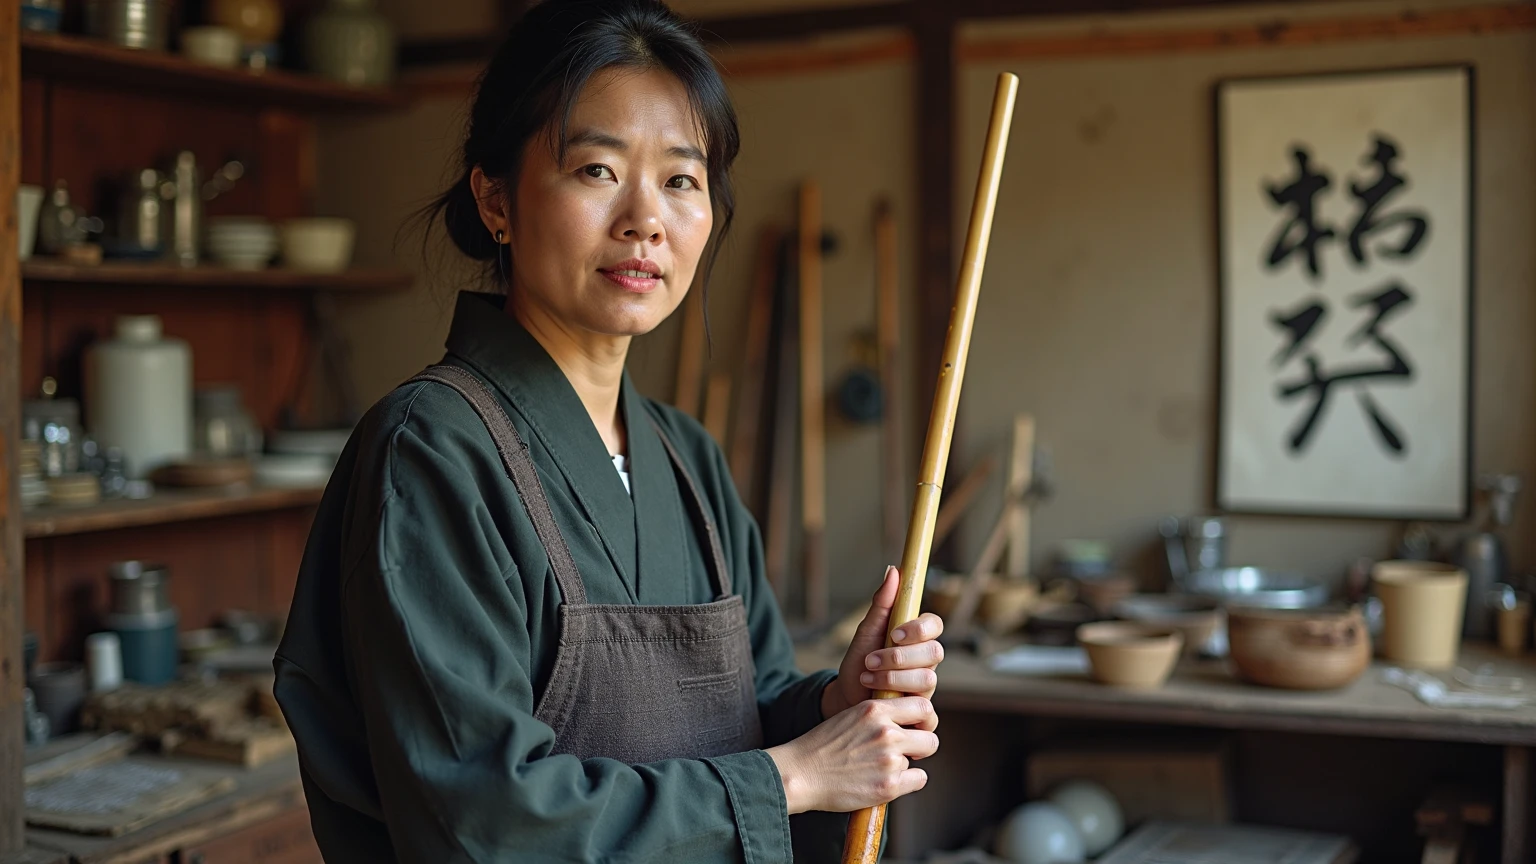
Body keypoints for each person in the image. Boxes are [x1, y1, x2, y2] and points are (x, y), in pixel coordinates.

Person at [273, 1, 945, 860]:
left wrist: (829, 707)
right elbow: (481, 816)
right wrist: (791, 777)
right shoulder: (430, 450)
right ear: (496, 199)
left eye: (680, 179)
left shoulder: (684, 454)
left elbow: (752, 701)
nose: (645, 220)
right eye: (597, 170)